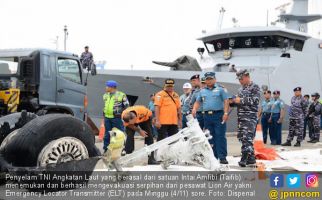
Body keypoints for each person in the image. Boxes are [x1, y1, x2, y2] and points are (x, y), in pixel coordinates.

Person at [192, 72, 229, 164]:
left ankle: (222, 157)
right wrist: (194, 109)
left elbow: (226, 101)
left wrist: (225, 113)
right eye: (207, 79)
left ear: (215, 79)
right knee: (210, 137)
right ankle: (213, 156)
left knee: (220, 136)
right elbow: (197, 102)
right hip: (207, 116)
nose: (209, 81)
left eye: (210, 79)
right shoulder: (202, 91)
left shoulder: (220, 89)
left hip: (218, 115)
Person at [230, 69, 260, 167]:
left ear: (247, 76)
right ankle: (251, 159)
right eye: (239, 80)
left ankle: (244, 157)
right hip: (241, 117)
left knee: (247, 138)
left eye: (241, 79)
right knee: (242, 138)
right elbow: (238, 103)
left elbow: (255, 100)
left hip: (250, 117)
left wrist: (241, 100)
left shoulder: (254, 87)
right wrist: (233, 102)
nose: (240, 81)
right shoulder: (240, 89)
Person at [103, 80, 129, 152]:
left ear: (112, 87)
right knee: (108, 134)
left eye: (107, 86)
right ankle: (106, 149)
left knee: (119, 134)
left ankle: (122, 149)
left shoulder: (121, 95)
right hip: (107, 118)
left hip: (117, 118)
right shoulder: (105, 95)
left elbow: (126, 106)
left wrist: (121, 114)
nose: (106, 87)